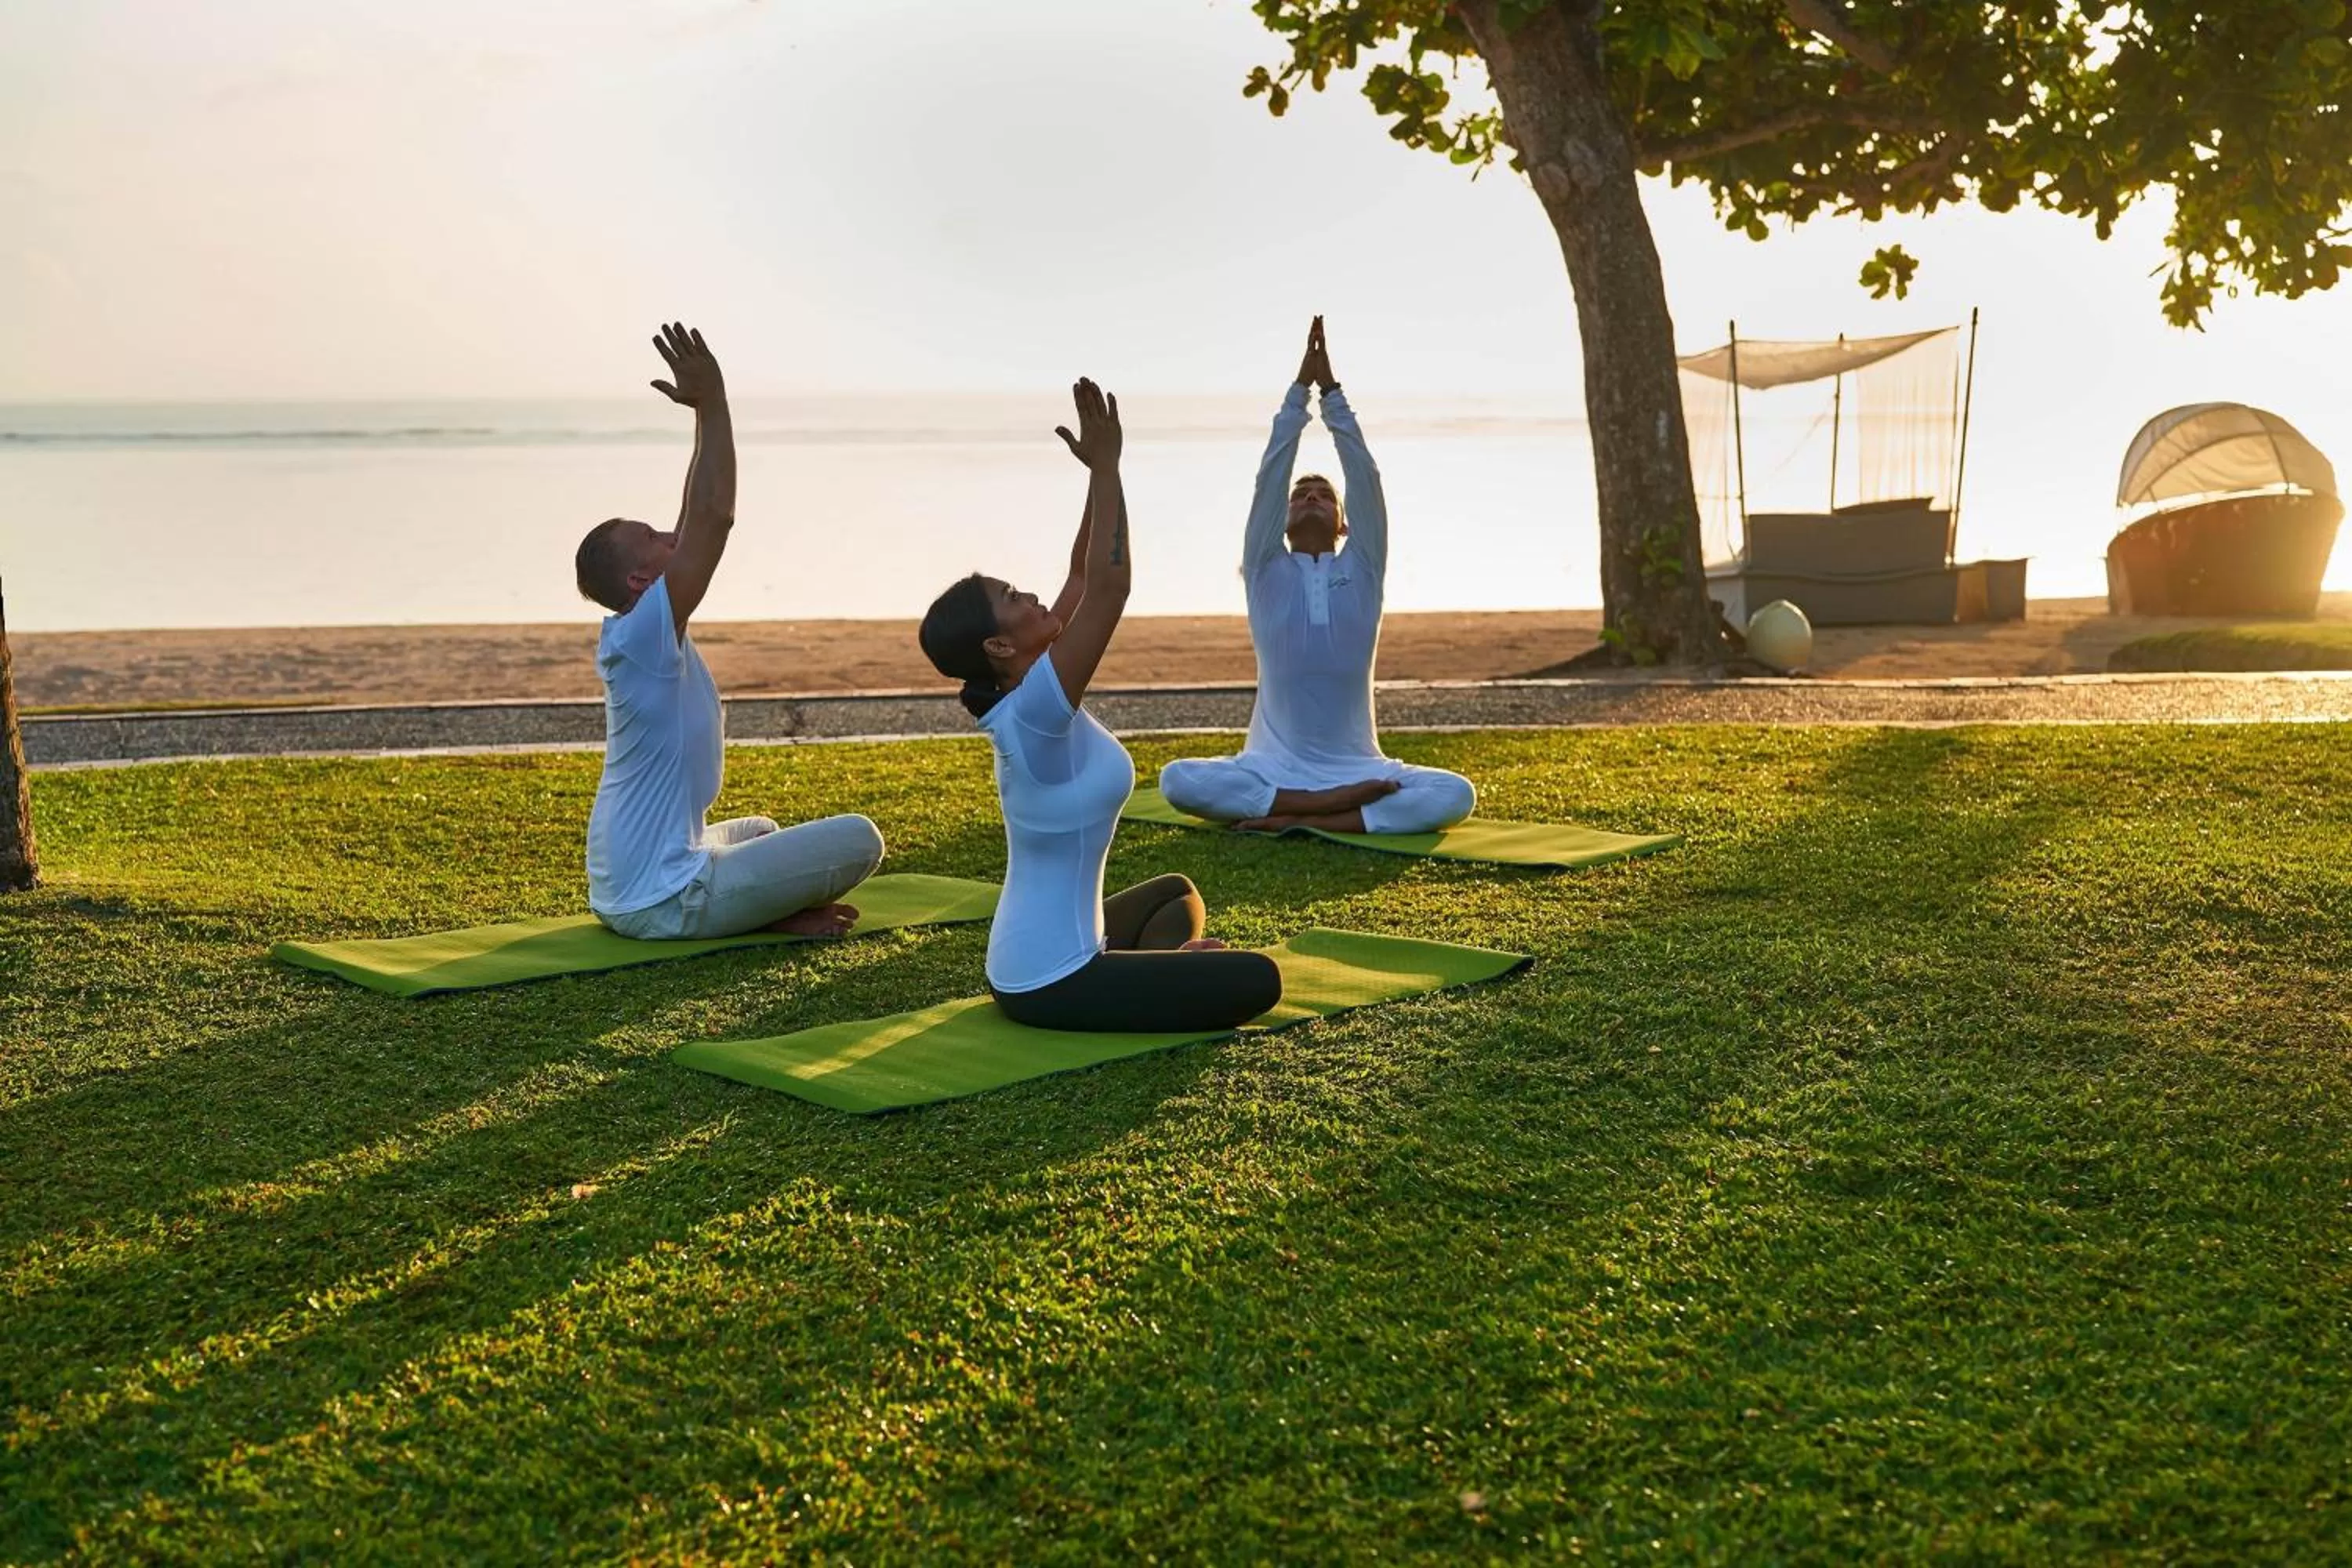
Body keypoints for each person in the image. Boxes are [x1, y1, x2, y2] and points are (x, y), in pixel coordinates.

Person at [919, 378, 1283, 1032]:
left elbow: (1085, 577)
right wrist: (1113, 467)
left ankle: (1146, 970)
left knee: (1176, 896)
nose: (1032, 595)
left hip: (1055, 950)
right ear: (999, 644)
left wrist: (1095, 474)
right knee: (1260, 979)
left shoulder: (1026, 691)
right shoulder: (1033, 711)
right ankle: (1142, 976)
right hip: (1049, 978)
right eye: (1013, 597)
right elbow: (1113, 585)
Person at [572, 322, 883, 940]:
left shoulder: (643, 634)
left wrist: (699, 416)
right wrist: (715, 405)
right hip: (660, 897)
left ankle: (762, 907)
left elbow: (694, 516)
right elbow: (714, 518)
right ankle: (757, 918)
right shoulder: (645, 635)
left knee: (761, 830)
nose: (672, 536)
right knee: (860, 839)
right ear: (638, 580)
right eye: (655, 539)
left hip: (633, 883)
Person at [1158, 318, 1475, 835]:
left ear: (1345, 523)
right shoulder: (1265, 568)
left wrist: (1331, 394)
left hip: (1359, 767)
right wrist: (1296, 396)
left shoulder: (1363, 566)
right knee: (1177, 780)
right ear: (1280, 520)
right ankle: (1326, 809)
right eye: (1301, 493)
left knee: (1456, 794)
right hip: (1271, 767)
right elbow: (1269, 477)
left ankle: (1301, 817)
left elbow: (1366, 478)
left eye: (1324, 494)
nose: (1310, 496)